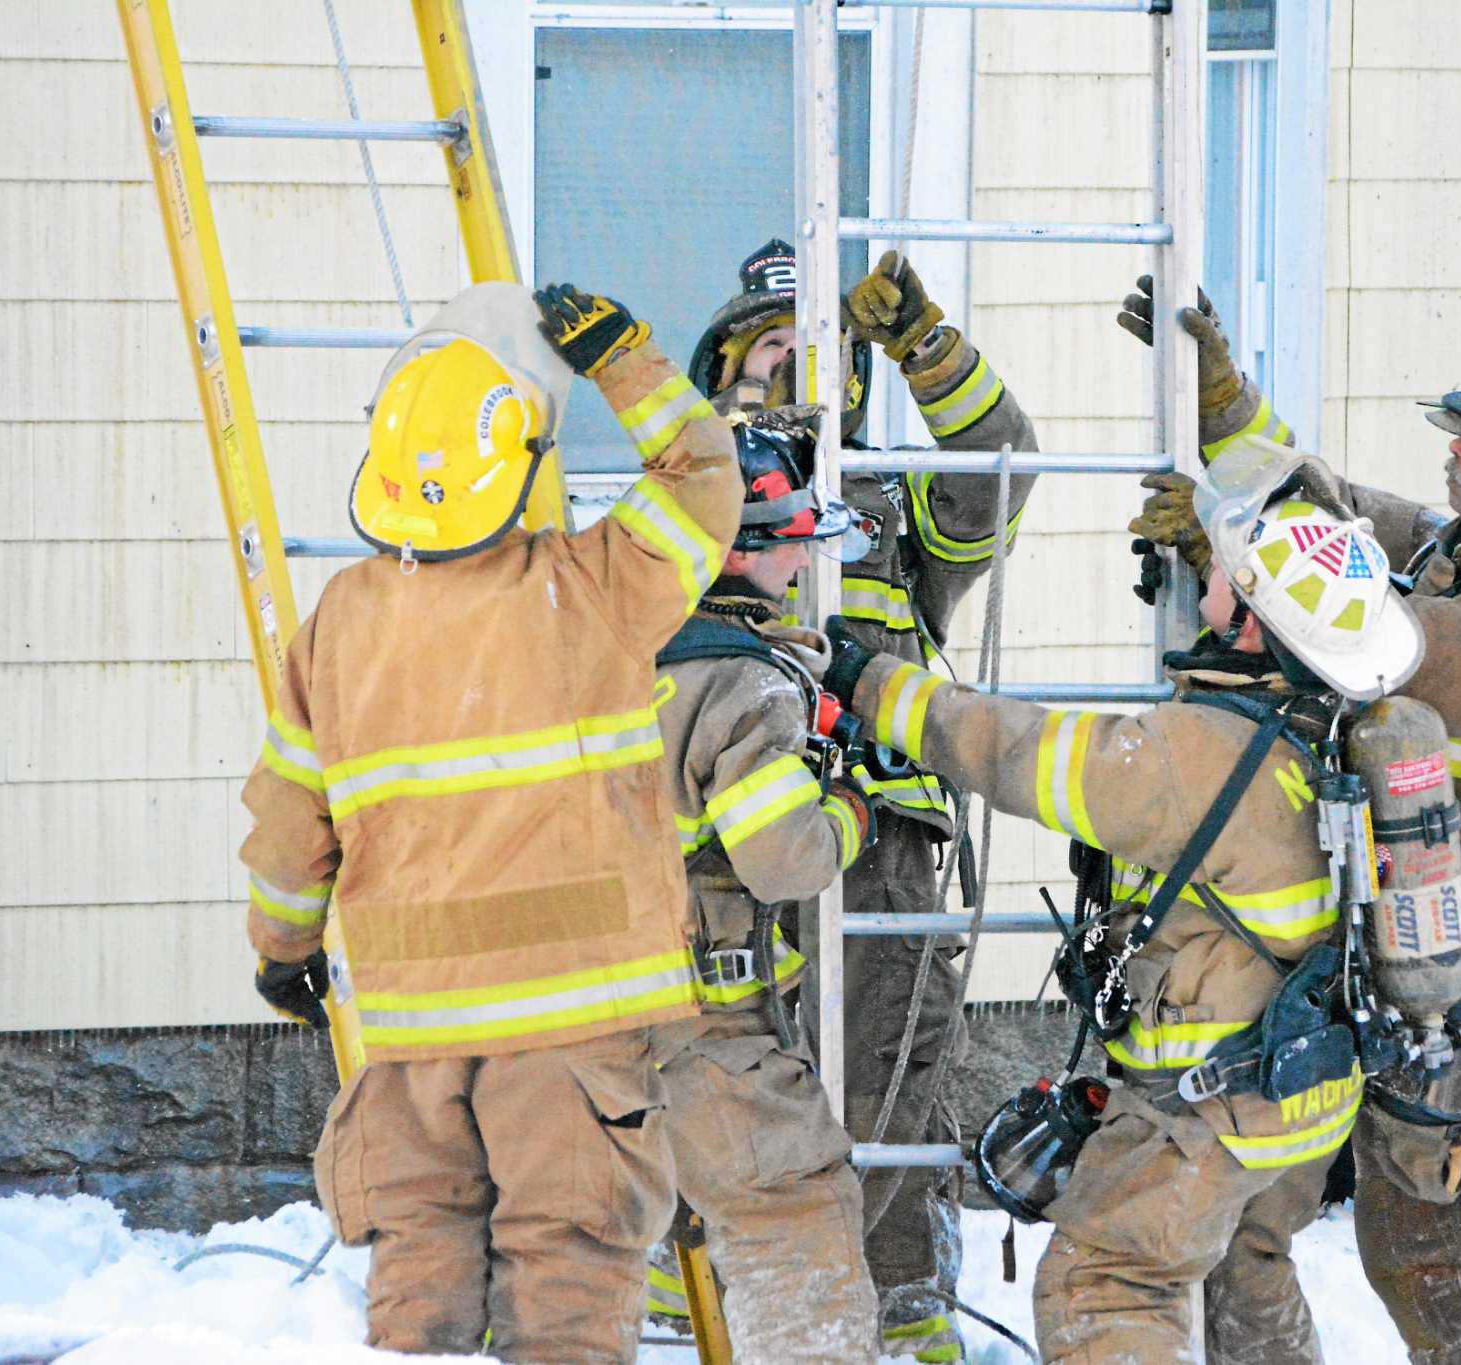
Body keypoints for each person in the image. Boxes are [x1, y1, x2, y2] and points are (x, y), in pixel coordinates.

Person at [1124, 283, 1461, 1364]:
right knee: (1412, 1250)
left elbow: (1368, 636)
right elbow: (1332, 520)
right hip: (1426, 999)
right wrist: (1223, 406)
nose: (1454, 452)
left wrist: (1235, 560)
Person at [815, 443, 1426, 1361]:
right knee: (1245, 1270)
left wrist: (873, 684)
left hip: (1209, 1111)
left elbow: (1016, 751)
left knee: (1106, 1286)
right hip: (1309, 1096)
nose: (1206, 578)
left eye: (1222, 574)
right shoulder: (1330, 727)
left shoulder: (1193, 757)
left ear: (1253, 623)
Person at [241, 281, 740, 1363]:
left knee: (418, 1272)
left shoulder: (337, 628)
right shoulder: (589, 590)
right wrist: (624, 360)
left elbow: (291, 821)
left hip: (413, 1027)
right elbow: (703, 485)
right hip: (573, 1026)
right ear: (517, 465)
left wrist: (283, 952)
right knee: (566, 1274)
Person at [683, 239, 1040, 1363]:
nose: (796, 374)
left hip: (878, 838)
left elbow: (1001, 459)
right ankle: (704, 1272)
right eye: (771, 350)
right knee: (721, 1071)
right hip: (719, 846)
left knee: (888, 1065)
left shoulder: (888, 501)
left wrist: (922, 348)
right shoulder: (681, 507)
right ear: (722, 373)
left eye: (821, 355)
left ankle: (896, 1295)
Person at [644, 409, 882, 1360]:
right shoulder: (747, 690)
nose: (801, 569)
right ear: (740, 556)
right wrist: (852, 808)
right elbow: (784, 857)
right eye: (792, 551)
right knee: (796, 1213)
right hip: (703, 1026)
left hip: (572, 1021)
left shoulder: (605, 654)